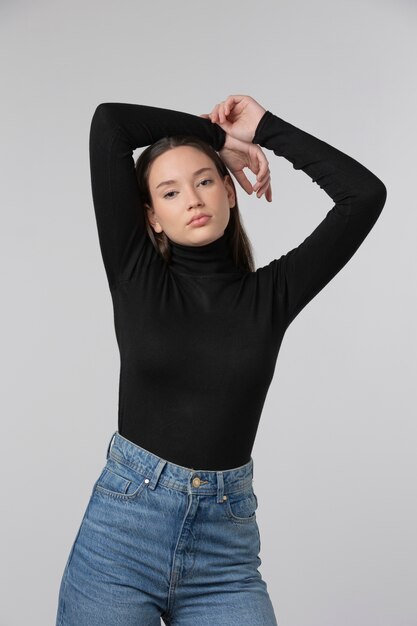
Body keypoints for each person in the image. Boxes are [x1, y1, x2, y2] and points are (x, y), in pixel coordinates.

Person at [55, 95, 387, 626]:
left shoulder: (271, 296)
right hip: (120, 541)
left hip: (223, 553)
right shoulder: (136, 275)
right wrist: (214, 138)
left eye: (205, 180)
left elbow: (363, 196)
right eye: (170, 190)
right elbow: (110, 123)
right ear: (152, 217)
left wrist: (266, 128)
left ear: (230, 192)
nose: (192, 198)